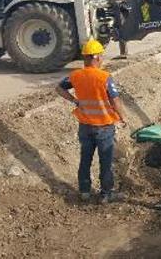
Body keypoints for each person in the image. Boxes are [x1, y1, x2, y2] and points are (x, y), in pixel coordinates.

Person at [56, 39, 130, 204]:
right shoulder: (104, 77)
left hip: (85, 126)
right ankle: (106, 194)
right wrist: (123, 117)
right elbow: (115, 100)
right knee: (106, 161)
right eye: (101, 56)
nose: (102, 59)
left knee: (85, 159)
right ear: (96, 57)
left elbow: (59, 88)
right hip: (103, 126)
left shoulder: (75, 75)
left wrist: (75, 101)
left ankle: (84, 191)